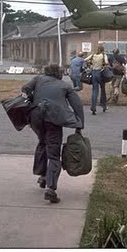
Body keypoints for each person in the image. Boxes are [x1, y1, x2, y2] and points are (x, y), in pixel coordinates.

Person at [22, 64, 84, 203]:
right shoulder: (65, 86)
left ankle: (42, 175)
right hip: (53, 119)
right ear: (59, 73)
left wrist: (32, 99)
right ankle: (51, 189)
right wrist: (79, 126)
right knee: (54, 153)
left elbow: (25, 88)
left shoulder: (37, 79)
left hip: (36, 117)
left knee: (42, 142)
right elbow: (77, 105)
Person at [84, 45, 109, 115]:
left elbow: (85, 60)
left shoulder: (93, 55)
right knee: (103, 90)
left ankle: (93, 107)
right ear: (103, 50)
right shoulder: (104, 56)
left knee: (95, 90)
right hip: (101, 73)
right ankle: (104, 105)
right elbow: (106, 63)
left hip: (93, 73)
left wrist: (90, 65)